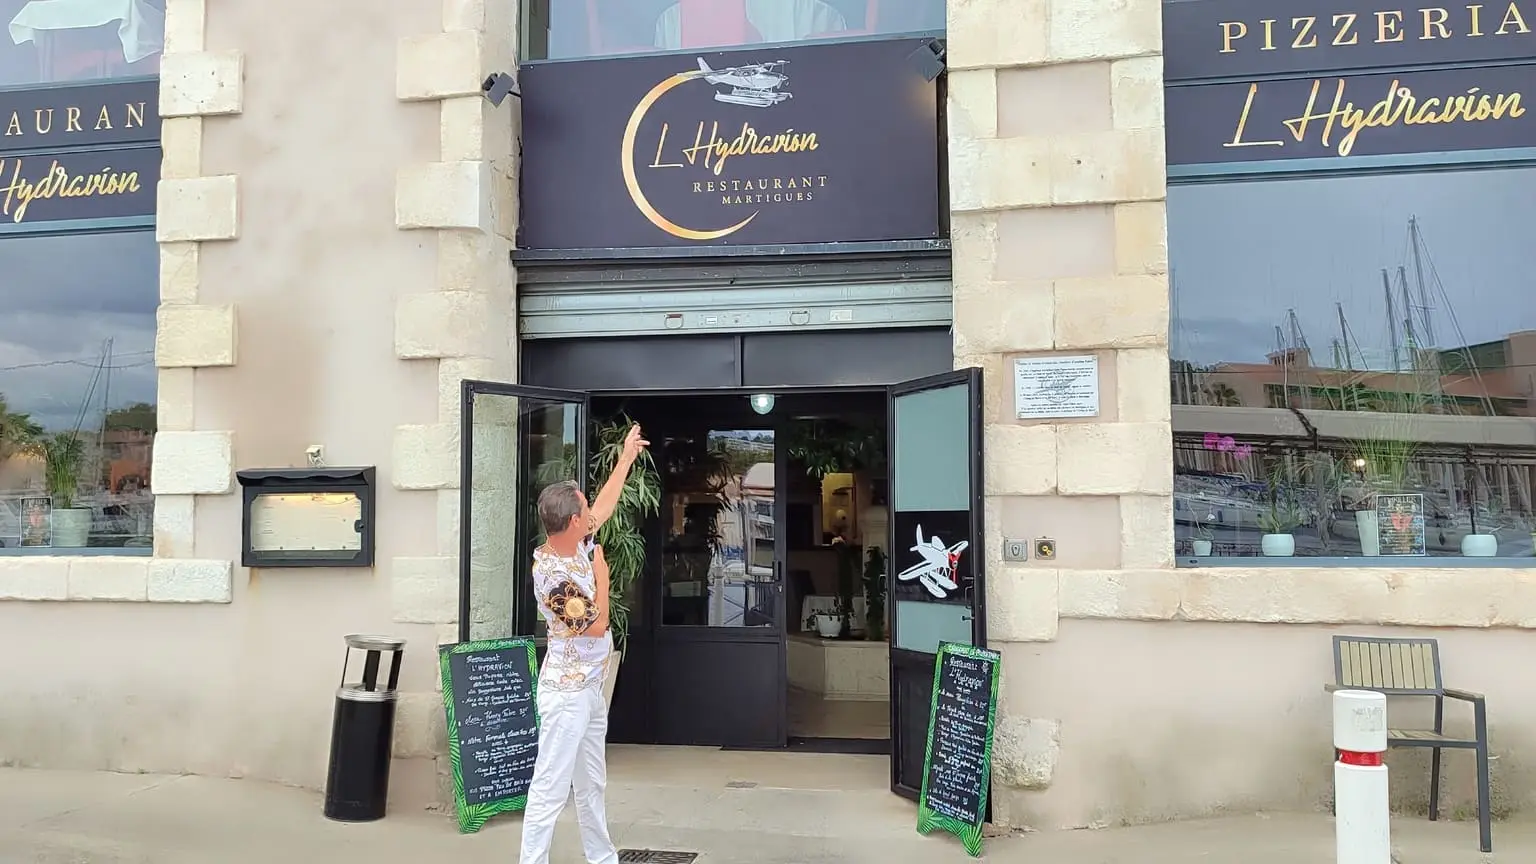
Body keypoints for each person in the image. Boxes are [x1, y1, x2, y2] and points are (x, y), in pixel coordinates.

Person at [519, 424, 649, 864]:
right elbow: (595, 627)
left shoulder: (575, 540)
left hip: (591, 688)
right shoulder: (552, 575)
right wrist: (603, 580)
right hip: (567, 694)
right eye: (584, 509)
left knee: (592, 782)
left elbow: (605, 506)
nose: (591, 513)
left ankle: (602, 856)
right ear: (572, 521)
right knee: (550, 786)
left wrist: (626, 457)